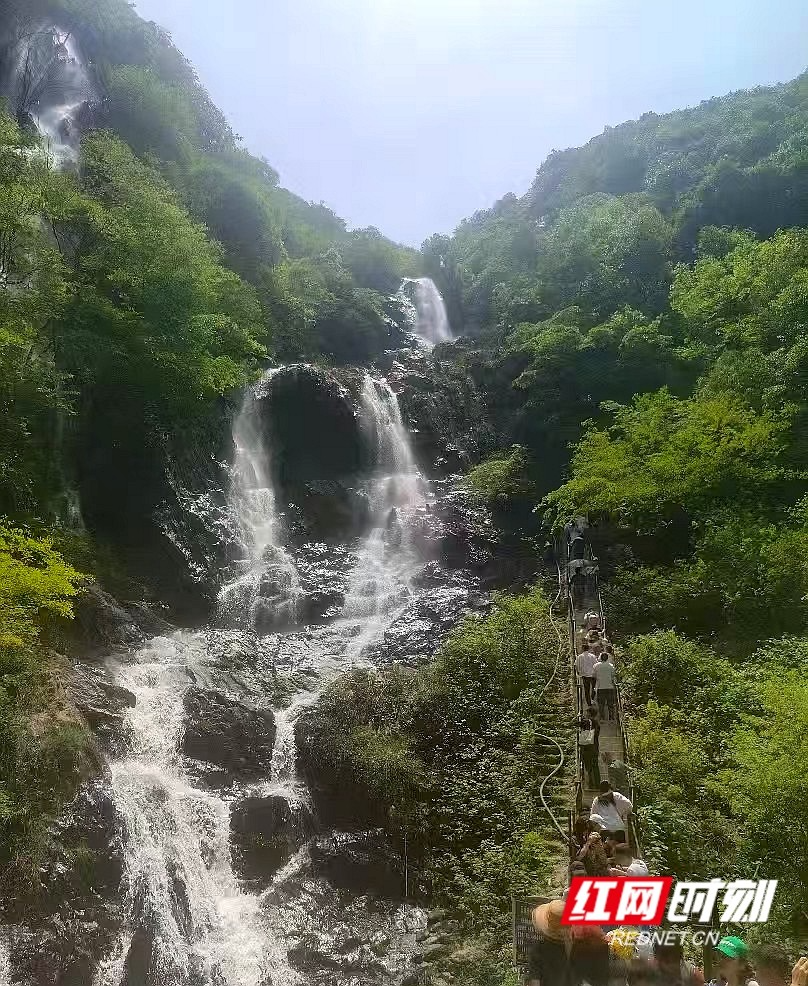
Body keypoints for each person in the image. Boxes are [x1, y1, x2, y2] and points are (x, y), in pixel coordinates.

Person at [576, 704, 601, 786]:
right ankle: (597, 783)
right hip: (595, 747)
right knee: (595, 765)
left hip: (587, 747)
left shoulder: (586, 722)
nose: (586, 713)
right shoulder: (597, 723)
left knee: (588, 765)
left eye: (587, 712)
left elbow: (575, 724)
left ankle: (590, 782)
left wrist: (579, 716)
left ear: (589, 713)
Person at [593, 652, 617, 721]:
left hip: (600, 687)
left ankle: (602, 717)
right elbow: (613, 676)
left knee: (601, 704)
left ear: (600, 658)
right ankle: (611, 717)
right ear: (607, 658)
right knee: (610, 703)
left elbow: (594, 675)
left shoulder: (596, 666)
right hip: (609, 686)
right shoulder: (611, 666)